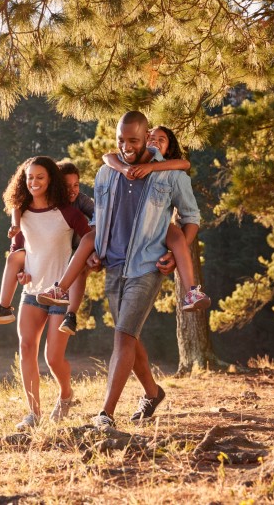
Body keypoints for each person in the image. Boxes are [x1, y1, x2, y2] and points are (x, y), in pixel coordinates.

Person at [89, 111, 201, 428]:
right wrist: (94, 255)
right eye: (120, 140)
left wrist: (174, 253)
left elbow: (191, 218)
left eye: (134, 140)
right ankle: (152, 393)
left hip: (147, 265)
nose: (126, 146)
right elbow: (98, 221)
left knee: (123, 337)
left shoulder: (171, 175)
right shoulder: (105, 174)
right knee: (130, 336)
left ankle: (105, 414)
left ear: (145, 137)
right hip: (113, 266)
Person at [36, 126, 210, 313]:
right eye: (151, 138)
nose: (155, 142)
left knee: (177, 237)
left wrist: (150, 167)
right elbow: (107, 157)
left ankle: (192, 292)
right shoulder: (128, 161)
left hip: (155, 223)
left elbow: (184, 164)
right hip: (122, 224)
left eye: (162, 140)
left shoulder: (170, 171)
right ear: (143, 140)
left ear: (169, 147)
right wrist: (125, 168)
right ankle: (60, 289)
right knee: (88, 239)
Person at [0, 156, 91, 430]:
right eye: (30, 178)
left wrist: (93, 263)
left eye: (40, 177)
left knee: (53, 358)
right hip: (31, 292)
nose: (34, 182)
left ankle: (66, 395)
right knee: (26, 348)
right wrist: (20, 272)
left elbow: (90, 242)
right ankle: (33, 414)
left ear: (50, 179)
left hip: (59, 294)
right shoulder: (23, 213)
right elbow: (18, 250)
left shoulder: (69, 213)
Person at [0, 161, 94, 330]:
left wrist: (94, 251)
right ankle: (3, 307)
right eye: (30, 178)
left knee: (79, 267)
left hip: (73, 256)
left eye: (75, 185)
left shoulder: (77, 205)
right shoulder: (26, 209)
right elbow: (17, 236)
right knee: (15, 256)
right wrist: (22, 271)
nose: (71, 190)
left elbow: (97, 219)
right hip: (35, 287)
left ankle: (71, 314)